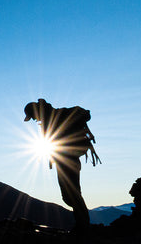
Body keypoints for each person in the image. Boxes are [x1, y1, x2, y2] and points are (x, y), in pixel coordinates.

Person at [24, 98, 97, 233]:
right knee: (70, 194)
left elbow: (83, 114)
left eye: (33, 116)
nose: (34, 120)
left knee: (72, 193)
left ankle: (83, 226)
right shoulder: (50, 118)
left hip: (68, 159)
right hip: (64, 159)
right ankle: (83, 224)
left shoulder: (56, 115)